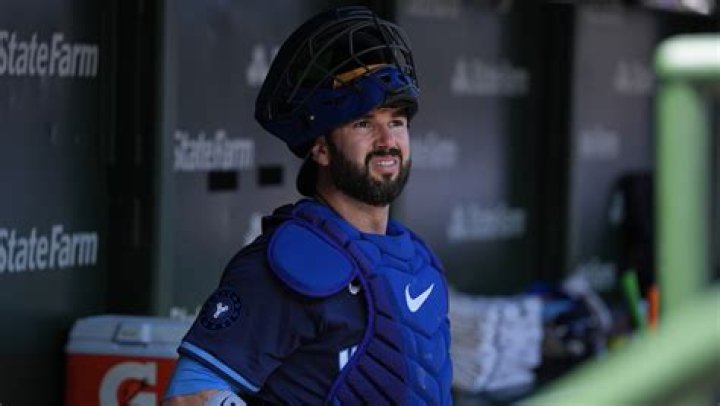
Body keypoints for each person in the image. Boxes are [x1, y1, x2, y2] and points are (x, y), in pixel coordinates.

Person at [163, 6, 452, 405]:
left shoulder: (416, 259)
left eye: (397, 121)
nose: (387, 140)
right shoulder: (289, 262)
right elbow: (189, 394)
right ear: (321, 148)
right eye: (363, 123)